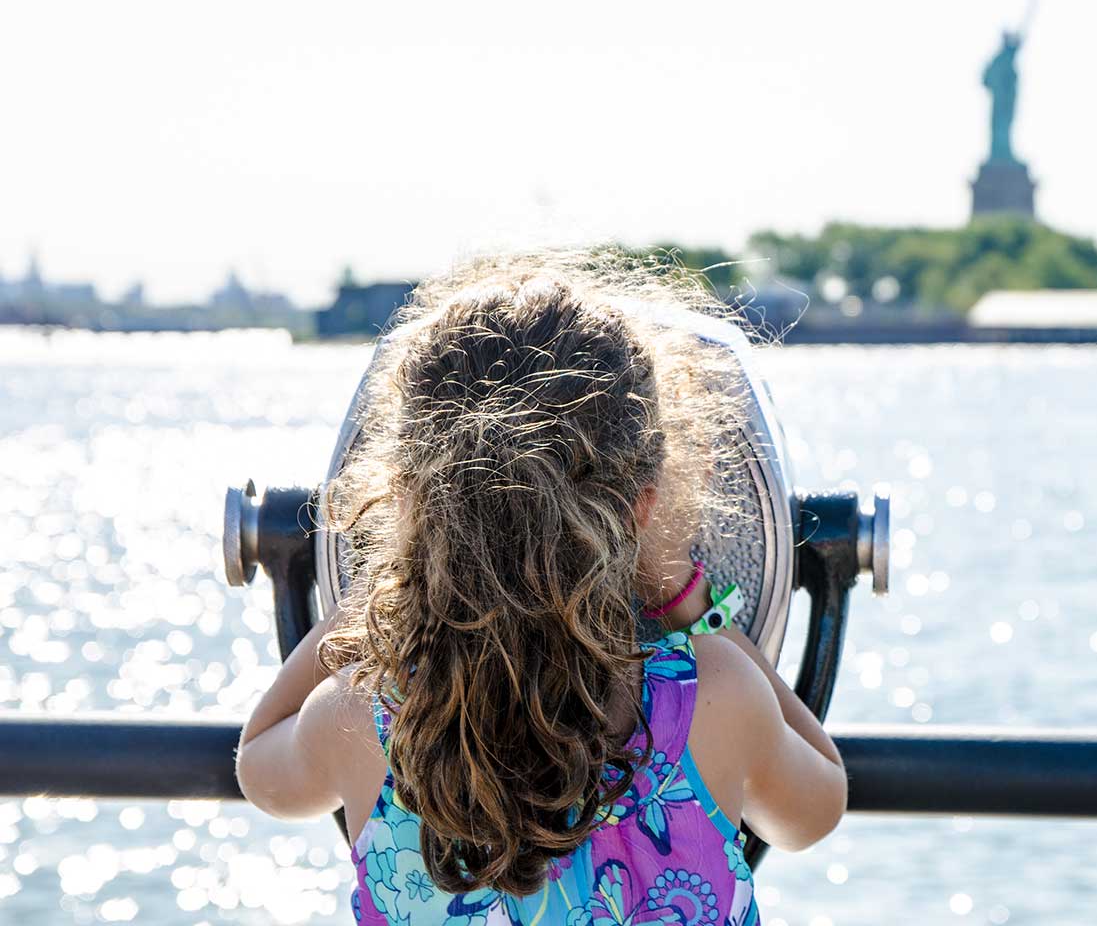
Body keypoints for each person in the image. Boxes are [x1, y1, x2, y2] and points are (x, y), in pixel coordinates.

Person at [236, 250, 847, 925]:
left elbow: (260, 767)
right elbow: (813, 810)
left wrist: (383, 582)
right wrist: (687, 599)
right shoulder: (717, 695)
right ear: (641, 509)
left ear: (404, 500)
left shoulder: (359, 718)